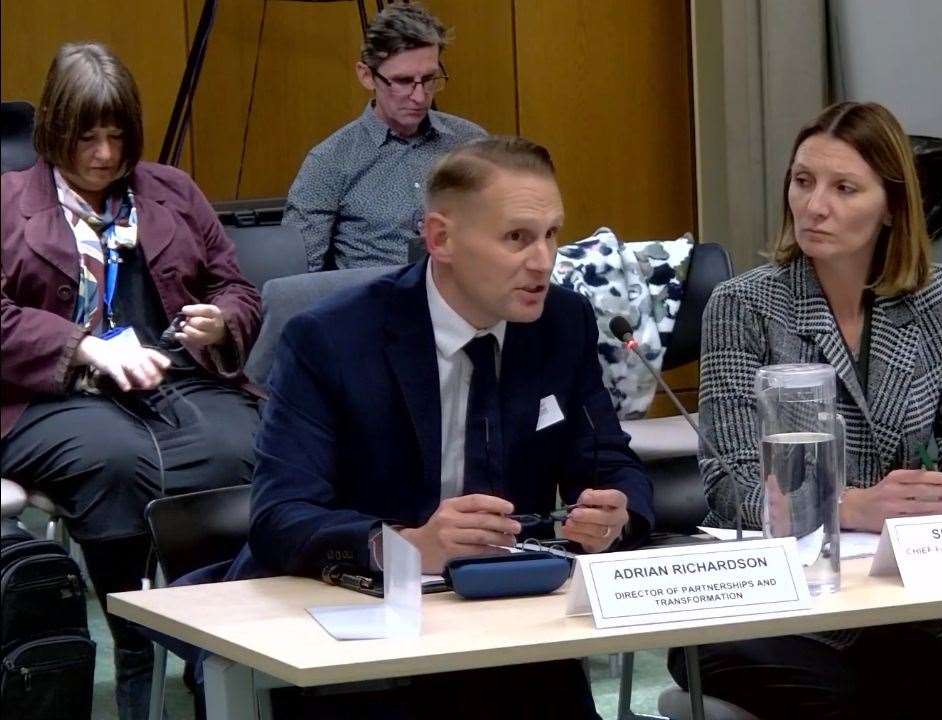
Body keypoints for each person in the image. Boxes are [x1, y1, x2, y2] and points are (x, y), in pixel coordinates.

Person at [222, 136, 652, 718]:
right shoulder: (332, 339)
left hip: (508, 631)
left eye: (552, 234)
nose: (544, 261)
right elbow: (280, 516)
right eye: (516, 238)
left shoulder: (561, 322)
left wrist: (615, 512)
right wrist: (408, 548)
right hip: (360, 647)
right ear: (440, 239)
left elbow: (610, 461)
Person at [668, 101, 942, 720]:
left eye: (844, 188)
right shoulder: (744, 305)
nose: (814, 205)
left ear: (892, 207)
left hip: (896, 600)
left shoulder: (938, 297)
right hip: (768, 608)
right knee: (854, 705)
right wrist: (845, 506)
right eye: (803, 181)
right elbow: (729, 487)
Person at [0, 43, 262, 719]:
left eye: (117, 135)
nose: (104, 155)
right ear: (55, 128)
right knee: (116, 461)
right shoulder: (5, 203)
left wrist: (219, 321)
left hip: (172, 377)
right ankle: (138, 647)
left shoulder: (171, 191)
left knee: (242, 449)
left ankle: (217, 648)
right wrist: (81, 345)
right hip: (49, 396)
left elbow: (236, 287)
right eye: (87, 136)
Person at [285, 1, 486, 272]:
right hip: (375, 304)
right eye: (403, 81)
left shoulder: (471, 144)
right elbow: (298, 276)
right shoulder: (330, 161)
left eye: (429, 79)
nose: (418, 97)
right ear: (367, 76)